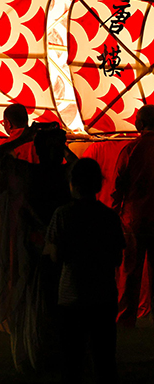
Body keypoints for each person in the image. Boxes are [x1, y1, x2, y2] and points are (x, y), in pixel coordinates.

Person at [0, 122, 72, 372]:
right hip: (52, 245)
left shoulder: (29, 172)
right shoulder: (63, 174)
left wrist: (25, 138)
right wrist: (61, 148)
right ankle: (51, 349)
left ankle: (38, 348)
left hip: (34, 243)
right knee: (52, 295)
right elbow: (77, 166)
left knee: (32, 293)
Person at [46, 158, 125, 384]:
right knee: (104, 358)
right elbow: (117, 257)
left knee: (72, 361)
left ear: (71, 183)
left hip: (72, 297)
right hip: (103, 296)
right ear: (99, 184)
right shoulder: (109, 217)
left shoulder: (62, 215)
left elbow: (55, 255)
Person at [113, 103, 154, 327]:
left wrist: (113, 214)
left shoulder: (130, 149)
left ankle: (125, 320)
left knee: (130, 274)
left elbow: (118, 187)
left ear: (140, 123)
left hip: (133, 220)